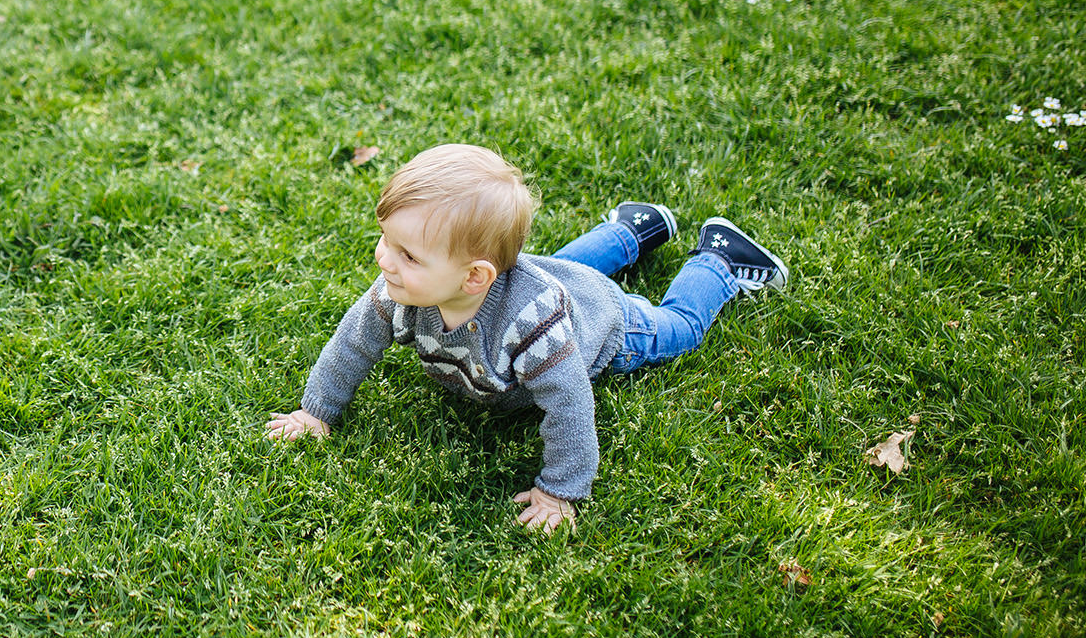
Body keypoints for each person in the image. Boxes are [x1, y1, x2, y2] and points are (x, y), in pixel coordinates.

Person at [264, 143, 787, 532]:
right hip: (549, 279)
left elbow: (569, 403)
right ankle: (637, 229)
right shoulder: (399, 292)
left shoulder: (533, 327)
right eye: (387, 240)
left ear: (474, 278)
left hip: (605, 326)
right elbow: (352, 343)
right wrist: (316, 411)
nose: (384, 259)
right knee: (560, 265)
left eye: (407, 255)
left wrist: (561, 489)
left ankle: (720, 259)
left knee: (678, 329)